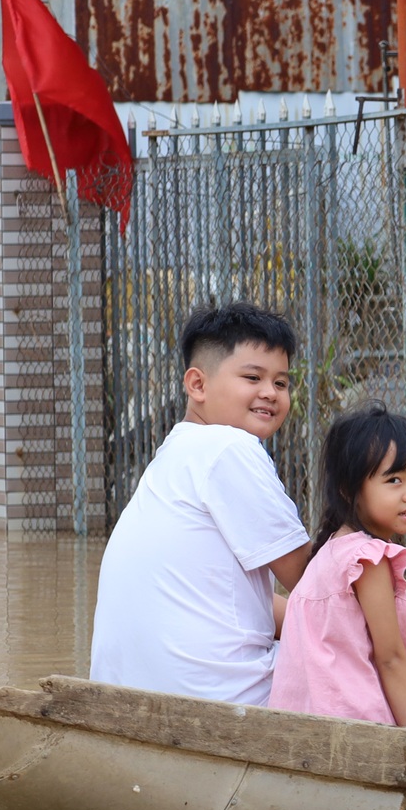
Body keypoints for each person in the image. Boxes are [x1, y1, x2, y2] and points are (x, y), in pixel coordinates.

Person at [89, 302, 311, 705]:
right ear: (197, 385)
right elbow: (314, 586)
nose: (270, 393)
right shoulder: (230, 447)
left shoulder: (174, 455)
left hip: (126, 697)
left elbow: (272, 606)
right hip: (224, 700)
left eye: (281, 383)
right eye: (253, 377)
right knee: (352, 665)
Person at [270, 405, 406, 734]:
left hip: (308, 716)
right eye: (394, 480)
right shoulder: (368, 558)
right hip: (356, 717)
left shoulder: (332, 550)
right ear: (350, 490)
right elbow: (391, 658)